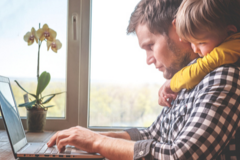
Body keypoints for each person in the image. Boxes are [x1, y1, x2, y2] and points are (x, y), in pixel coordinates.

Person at [47, 0, 240, 159]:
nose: (148, 59)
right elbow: (152, 134)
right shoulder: (186, 80)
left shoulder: (222, 77)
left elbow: (180, 155)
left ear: (177, 30)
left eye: (150, 45)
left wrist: (98, 143)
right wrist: (86, 137)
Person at [159, 0, 240, 107]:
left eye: (201, 43)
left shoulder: (233, 45)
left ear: (230, 32)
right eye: (191, 42)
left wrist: (172, 83)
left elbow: (201, 68)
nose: (195, 49)